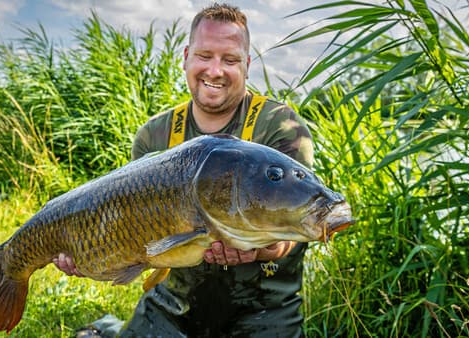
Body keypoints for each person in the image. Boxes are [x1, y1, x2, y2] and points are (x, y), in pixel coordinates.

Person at [54, 3, 314, 337]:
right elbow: (138, 240)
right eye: (205, 56)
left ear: (247, 65)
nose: (215, 70)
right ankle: (107, 330)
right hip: (174, 303)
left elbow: (301, 215)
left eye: (230, 60)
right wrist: (89, 254)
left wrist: (266, 248)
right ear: (186, 57)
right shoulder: (155, 134)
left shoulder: (281, 125)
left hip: (264, 307)